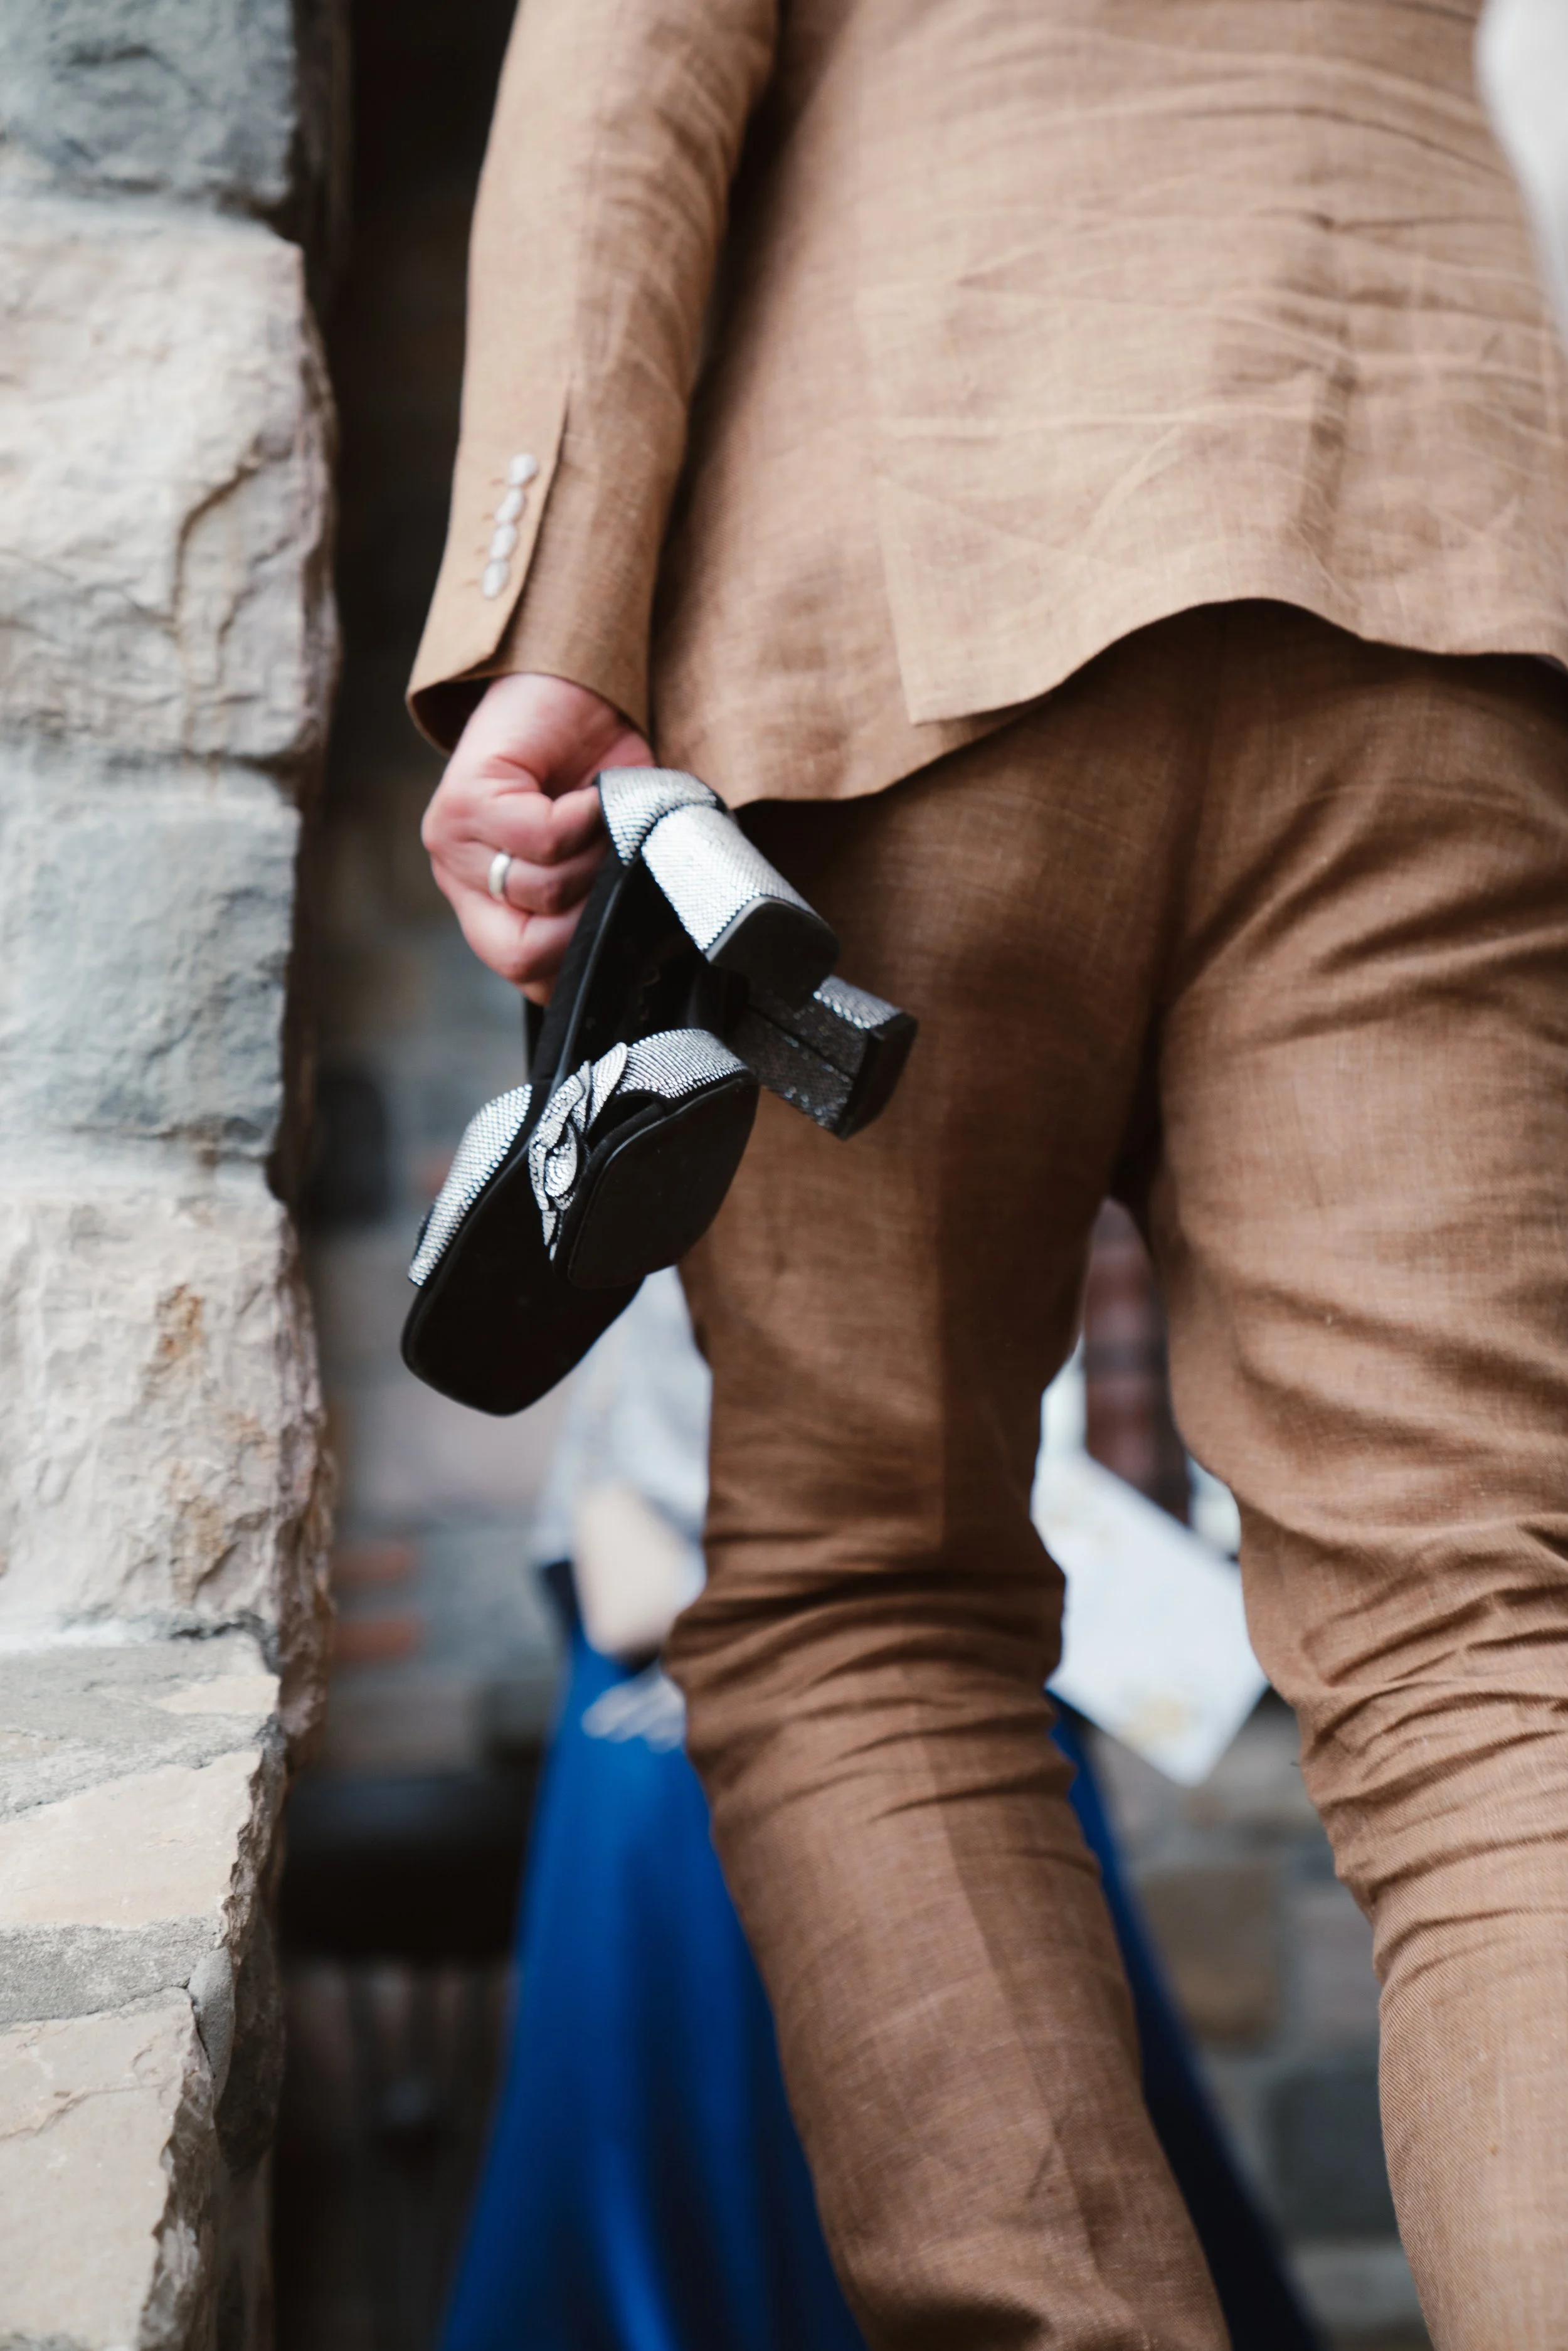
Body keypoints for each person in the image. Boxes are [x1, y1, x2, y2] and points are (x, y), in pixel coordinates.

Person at [408, 4, 1568, 2343]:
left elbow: (637, 49)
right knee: (1486, 1635)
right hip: (1431, 564)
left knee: (867, 1598)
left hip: (907, 566)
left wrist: (548, 637)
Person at [441, 1276, 1320, 2351]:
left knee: (1015, 2074)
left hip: (894, 1647)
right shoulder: (684, 1201)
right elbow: (623, 1545)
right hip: (744, 1676)